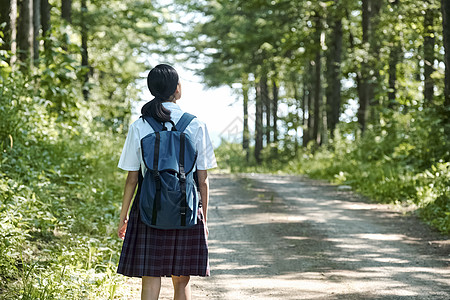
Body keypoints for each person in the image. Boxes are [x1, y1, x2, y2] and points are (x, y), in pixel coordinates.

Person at [116, 64, 217, 300]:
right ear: (177, 89)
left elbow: (132, 178)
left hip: (148, 208)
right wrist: (204, 218)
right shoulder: (196, 124)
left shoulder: (140, 125)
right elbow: (202, 181)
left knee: (151, 278)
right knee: (182, 281)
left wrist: (124, 217)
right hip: (187, 208)